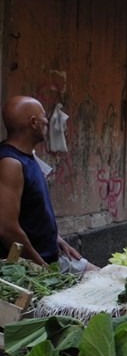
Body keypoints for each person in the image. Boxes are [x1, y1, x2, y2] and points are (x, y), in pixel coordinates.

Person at [0, 96, 90, 271]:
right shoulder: (10, 163)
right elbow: (6, 228)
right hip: (31, 267)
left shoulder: (27, 156)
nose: (46, 121)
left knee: (109, 279)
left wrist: (56, 238)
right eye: (44, 117)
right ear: (33, 122)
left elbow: (32, 212)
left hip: (52, 257)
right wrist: (43, 269)